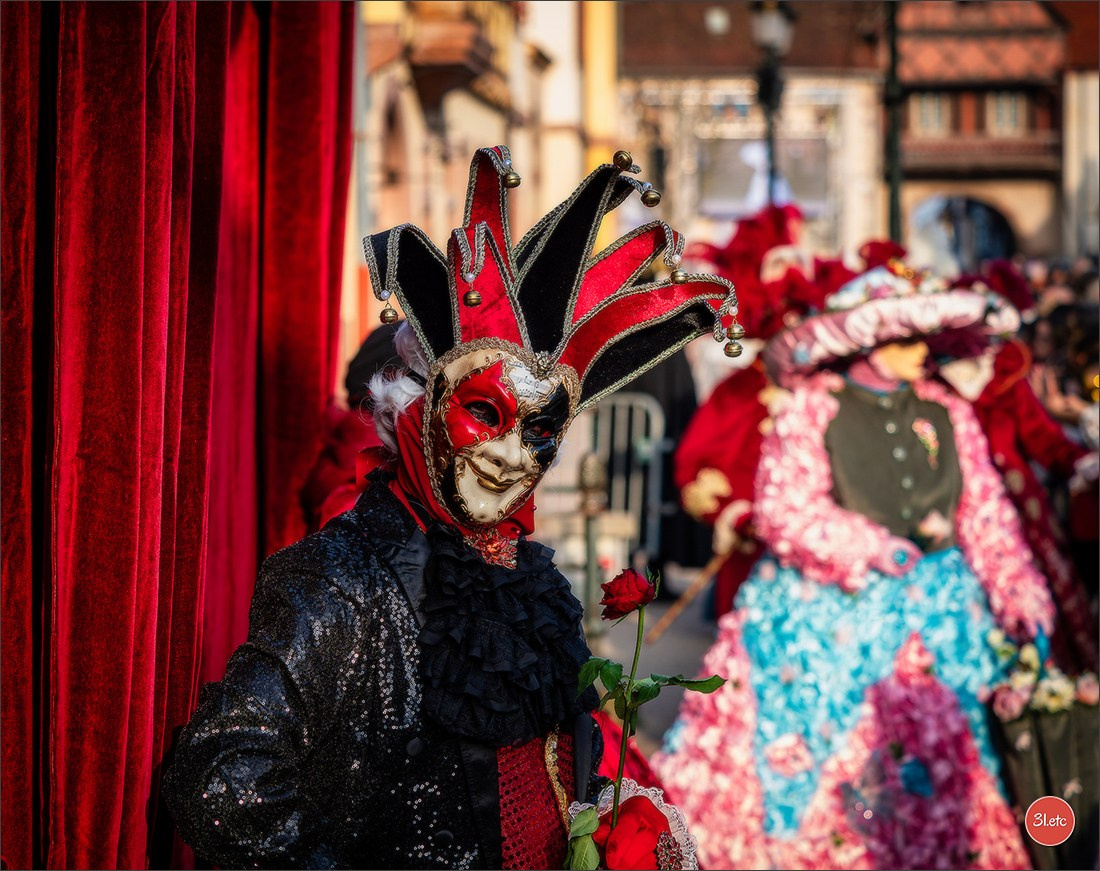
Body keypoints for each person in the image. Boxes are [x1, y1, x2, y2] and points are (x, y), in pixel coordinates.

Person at [163, 146, 735, 869]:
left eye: (541, 430)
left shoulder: (534, 582)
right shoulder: (342, 581)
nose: (512, 455)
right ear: (422, 407)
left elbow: (563, 772)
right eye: (483, 412)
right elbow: (219, 776)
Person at [652, 261, 1053, 870]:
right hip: (826, 620)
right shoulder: (812, 408)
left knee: (951, 776)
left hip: (944, 624)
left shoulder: (949, 411)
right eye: (913, 337)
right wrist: (869, 548)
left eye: (931, 337)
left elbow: (987, 517)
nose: (927, 351)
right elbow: (785, 509)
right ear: (870, 339)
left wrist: (1021, 597)